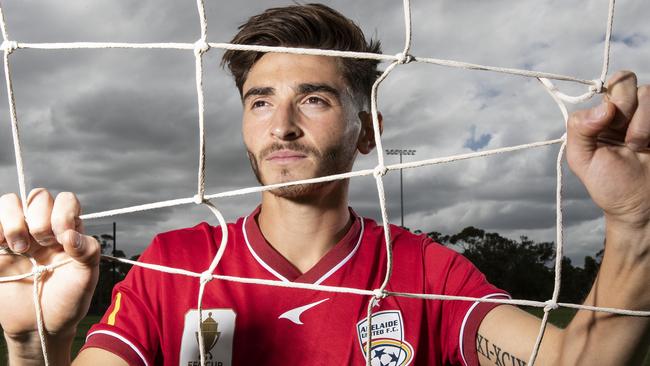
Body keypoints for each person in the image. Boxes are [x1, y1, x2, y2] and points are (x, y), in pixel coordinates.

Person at [0, 3, 648, 366]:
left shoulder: (427, 272)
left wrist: (635, 228)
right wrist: (32, 346)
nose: (281, 125)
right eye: (259, 102)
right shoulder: (175, 266)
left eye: (313, 99)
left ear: (368, 133)